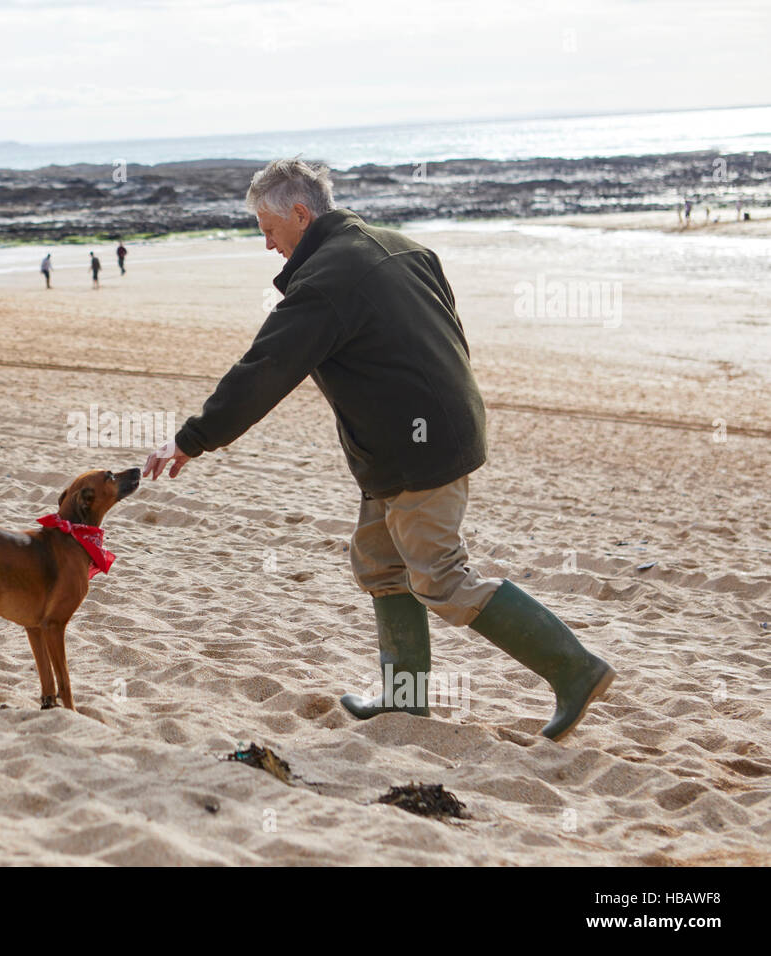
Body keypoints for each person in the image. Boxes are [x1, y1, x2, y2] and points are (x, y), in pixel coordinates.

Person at [142, 158, 616, 742]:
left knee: (439, 575)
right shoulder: (400, 246)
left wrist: (191, 439)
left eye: (268, 228)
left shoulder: (327, 280)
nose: (267, 244)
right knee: (379, 563)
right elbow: (452, 332)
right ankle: (404, 700)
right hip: (411, 440)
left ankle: (575, 669)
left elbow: (264, 370)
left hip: (418, 449)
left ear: (300, 213)